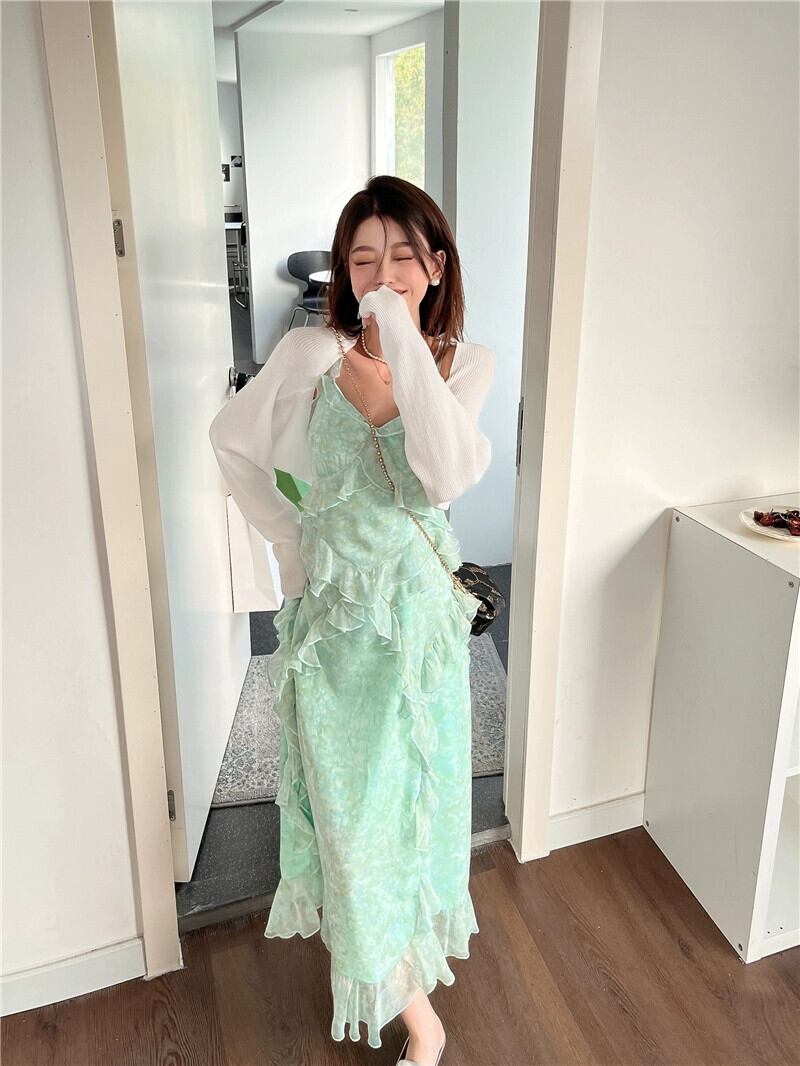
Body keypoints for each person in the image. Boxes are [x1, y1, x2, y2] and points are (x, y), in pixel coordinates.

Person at [208, 175, 495, 1065]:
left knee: (411, 811)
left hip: (419, 635)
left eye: (403, 256)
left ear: (436, 265)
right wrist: (288, 544)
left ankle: (416, 1009)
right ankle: (416, 1011)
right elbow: (230, 442)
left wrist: (401, 334)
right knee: (347, 820)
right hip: (333, 631)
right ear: (342, 271)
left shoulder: (467, 365)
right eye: (362, 260)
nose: (382, 274)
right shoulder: (310, 354)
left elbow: (445, 475)